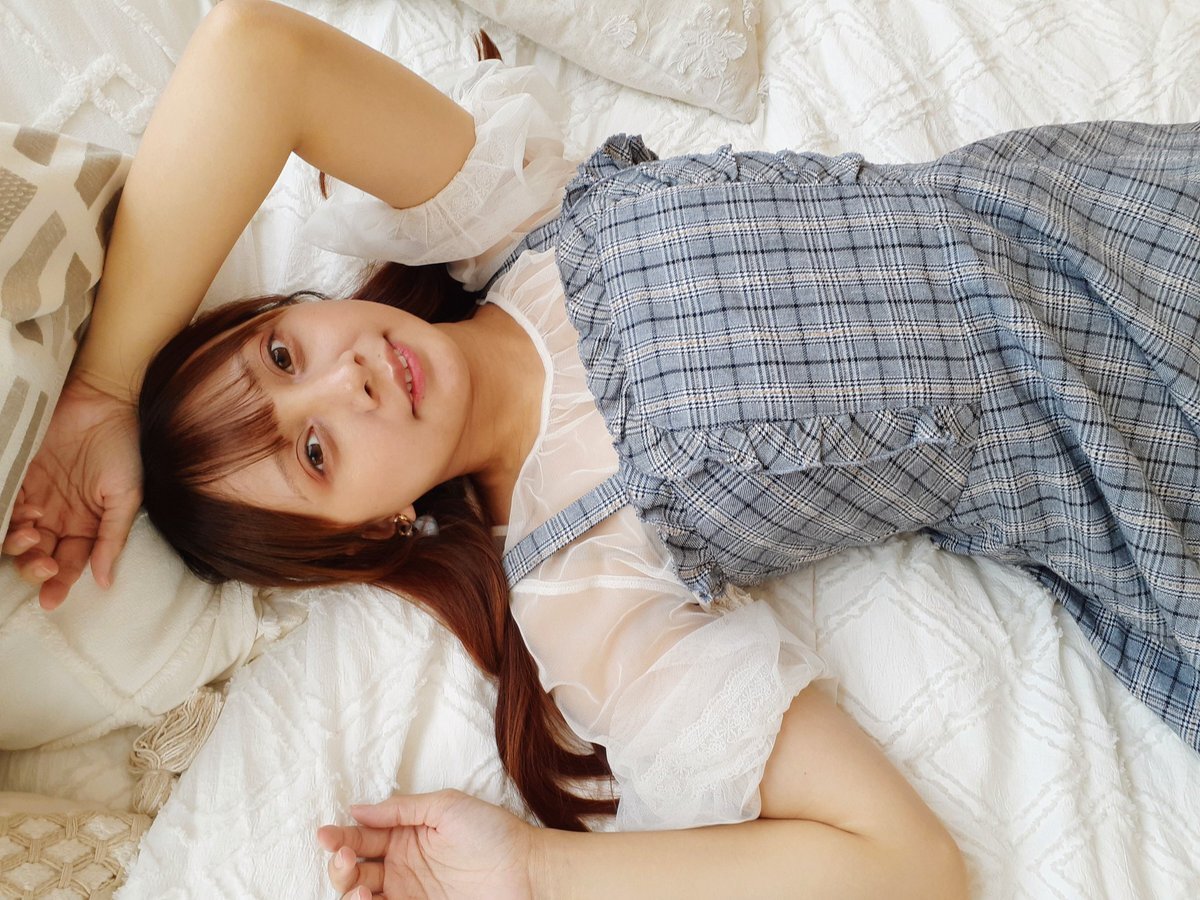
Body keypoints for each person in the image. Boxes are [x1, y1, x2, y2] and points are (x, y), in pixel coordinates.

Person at [4, 0, 1199, 896]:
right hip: (1126, 436)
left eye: (281, 354)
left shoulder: (517, 220)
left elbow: (254, 53)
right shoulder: (584, 577)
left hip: (1111, 207)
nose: (345, 378)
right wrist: (533, 872)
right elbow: (902, 867)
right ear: (372, 529)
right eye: (315, 453)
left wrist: (102, 390)